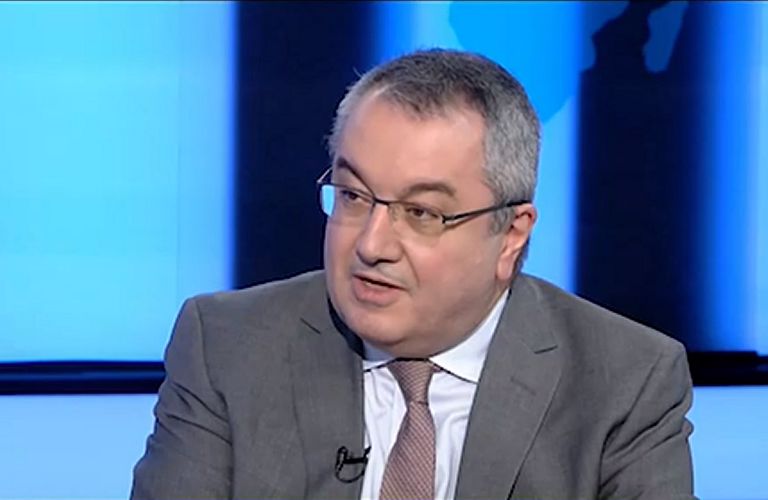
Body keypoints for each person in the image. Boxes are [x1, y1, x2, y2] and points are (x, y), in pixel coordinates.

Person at [131, 48, 695, 500]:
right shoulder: (226, 348)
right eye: (353, 196)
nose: (371, 245)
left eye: (422, 213)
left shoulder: (626, 382)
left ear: (511, 234)